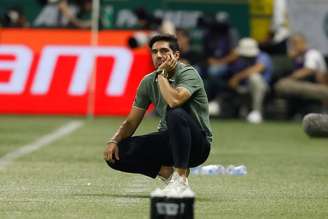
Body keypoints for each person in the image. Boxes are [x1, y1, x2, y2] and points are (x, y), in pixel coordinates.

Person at [103, 34, 212, 195]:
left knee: (175, 113)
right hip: (170, 141)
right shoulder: (147, 82)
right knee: (117, 153)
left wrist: (162, 75)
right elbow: (131, 122)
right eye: (154, 52)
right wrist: (114, 140)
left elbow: (174, 101)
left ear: (176, 55)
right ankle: (169, 174)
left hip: (197, 145)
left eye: (164, 51)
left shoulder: (188, 74)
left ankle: (181, 178)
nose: (158, 55)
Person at [275, 33, 328, 118]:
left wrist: (290, 78)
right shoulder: (299, 57)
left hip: (321, 89)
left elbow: (309, 70)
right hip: (306, 89)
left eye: (296, 43)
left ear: (304, 43)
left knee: (283, 84)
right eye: (292, 44)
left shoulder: (312, 53)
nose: (294, 46)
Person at [228, 38, 273, 123]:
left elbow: (258, 68)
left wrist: (237, 77)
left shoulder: (263, 56)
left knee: (254, 78)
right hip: (245, 88)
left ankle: (257, 111)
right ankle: (243, 109)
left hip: (263, 89)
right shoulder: (241, 59)